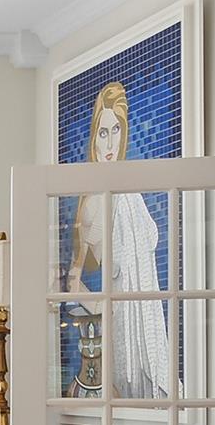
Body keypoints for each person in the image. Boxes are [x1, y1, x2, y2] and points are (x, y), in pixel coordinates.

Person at [68, 82, 171, 398]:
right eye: (103, 132)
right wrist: (103, 309)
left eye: (116, 130)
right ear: (94, 139)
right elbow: (72, 280)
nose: (110, 142)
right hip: (125, 323)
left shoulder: (129, 194)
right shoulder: (98, 202)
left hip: (149, 319)